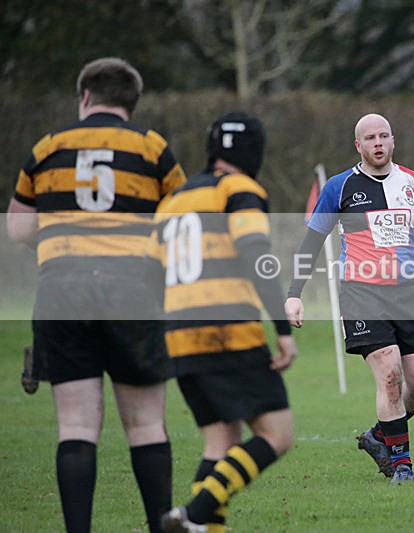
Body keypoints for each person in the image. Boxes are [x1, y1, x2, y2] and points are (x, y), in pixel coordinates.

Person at [6, 57, 186, 533]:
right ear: (132, 102)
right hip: (134, 291)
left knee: (76, 427)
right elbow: (183, 226)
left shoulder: (48, 148)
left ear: (85, 97)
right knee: (146, 425)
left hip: (62, 289)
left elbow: (18, 227)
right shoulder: (152, 149)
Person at [284, 113, 414, 484]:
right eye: (370, 138)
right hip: (361, 292)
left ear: (393, 141)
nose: (378, 143)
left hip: (407, 294)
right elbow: (311, 243)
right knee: (391, 375)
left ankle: (380, 436)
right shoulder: (339, 186)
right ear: (358, 146)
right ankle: (402, 465)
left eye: (383, 136)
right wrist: (294, 294)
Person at [157, 112, 296, 533]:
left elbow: (150, 273)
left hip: (180, 337)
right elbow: (257, 254)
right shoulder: (240, 190)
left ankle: (202, 527)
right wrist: (283, 330)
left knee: (220, 444)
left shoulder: (173, 200)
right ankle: (192, 515)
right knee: (277, 433)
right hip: (228, 332)